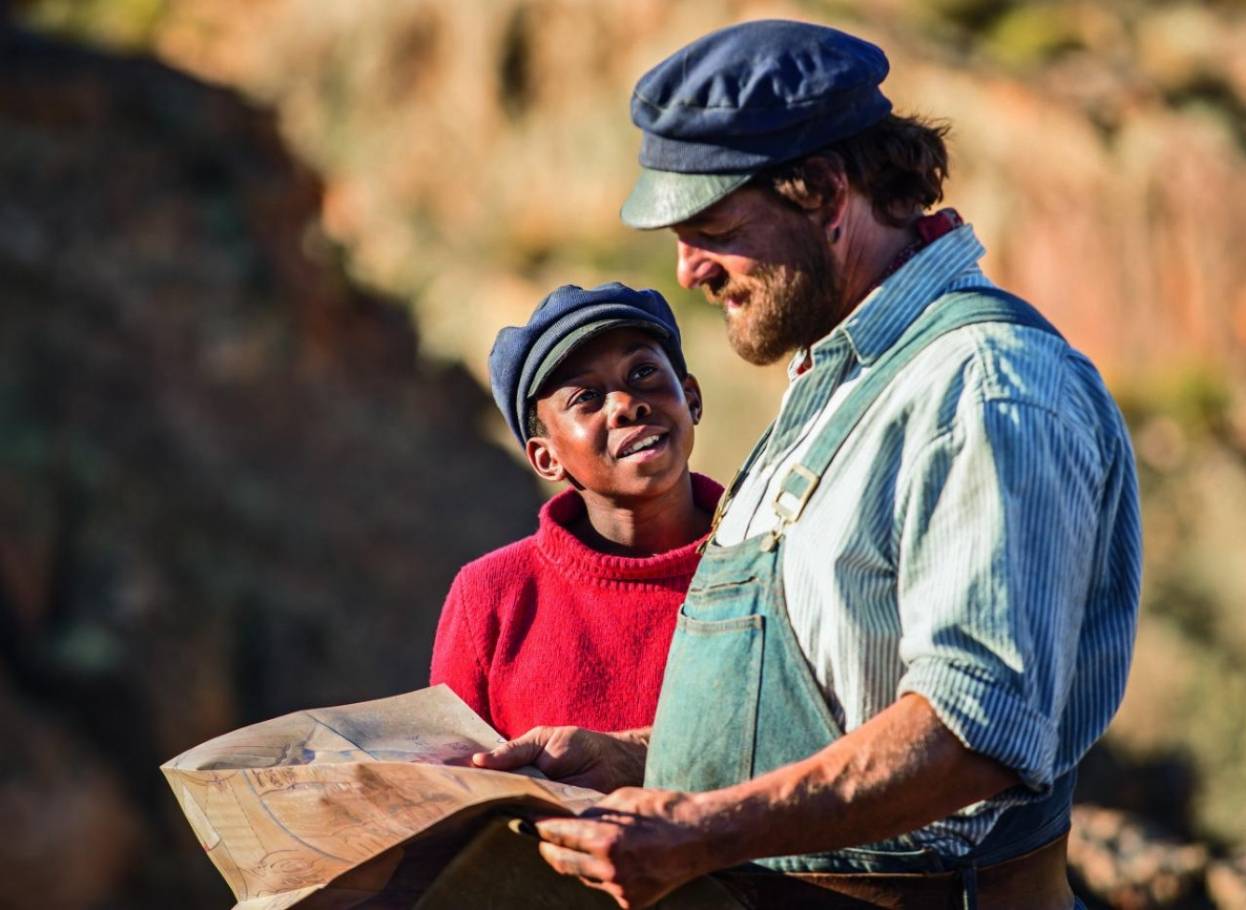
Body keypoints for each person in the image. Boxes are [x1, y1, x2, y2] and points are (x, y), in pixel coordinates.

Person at [473, 19, 1142, 910]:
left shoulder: (983, 388)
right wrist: (638, 756)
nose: (687, 271)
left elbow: (974, 731)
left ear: (825, 193)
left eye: (712, 227)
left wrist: (702, 829)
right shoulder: (841, 380)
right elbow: (835, 704)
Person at [429, 282, 722, 739]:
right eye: (585, 397)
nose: (626, 404)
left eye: (643, 371)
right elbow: (452, 785)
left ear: (692, 398)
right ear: (547, 458)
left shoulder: (767, 556)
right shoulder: (491, 597)